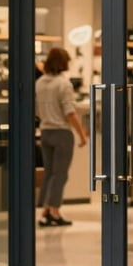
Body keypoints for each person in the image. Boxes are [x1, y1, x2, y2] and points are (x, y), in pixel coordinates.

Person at [35, 48, 87, 227]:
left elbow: (37, 110)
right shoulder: (63, 84)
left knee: (49, 173)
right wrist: (82, 134)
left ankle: (45, 210)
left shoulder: (40, 82)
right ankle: (54, 211)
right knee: (61, 174)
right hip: (62, 133)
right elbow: (70, 113)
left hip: (46, 132)